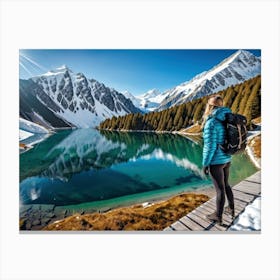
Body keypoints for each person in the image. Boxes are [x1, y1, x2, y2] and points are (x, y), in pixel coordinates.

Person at [202, 95, 235, 225]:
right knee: (226, 185)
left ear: (210, 107)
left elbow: (209, 146)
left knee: (219, 189)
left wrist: (205, 163)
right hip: (227, 158)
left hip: (216, 162)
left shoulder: (211, 122)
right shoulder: (226, 118)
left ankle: (218, 216)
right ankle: (231, 208)